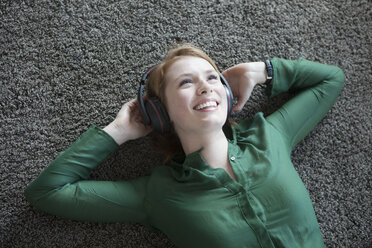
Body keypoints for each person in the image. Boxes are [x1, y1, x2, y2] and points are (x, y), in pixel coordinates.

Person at [25, 43, 345, 248]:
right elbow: (46, 192)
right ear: (160, 113)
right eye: (186, 82)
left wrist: (262, 71)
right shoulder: (160, 195)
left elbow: (332, 79)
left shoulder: (269, 134)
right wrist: (117, 132)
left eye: (212, 77)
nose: (206, 87)